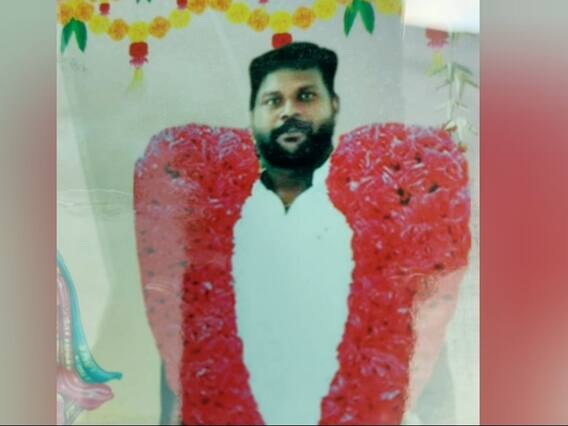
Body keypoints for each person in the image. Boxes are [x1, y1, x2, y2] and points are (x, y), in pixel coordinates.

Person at [135, 42, 470, 425]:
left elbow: (418, 332)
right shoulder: (214, 214)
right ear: (253, 114)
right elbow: (186, 340)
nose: (289, 111)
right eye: (273, 101)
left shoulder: (382, 207)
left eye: (306, 96)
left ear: (334, 105)